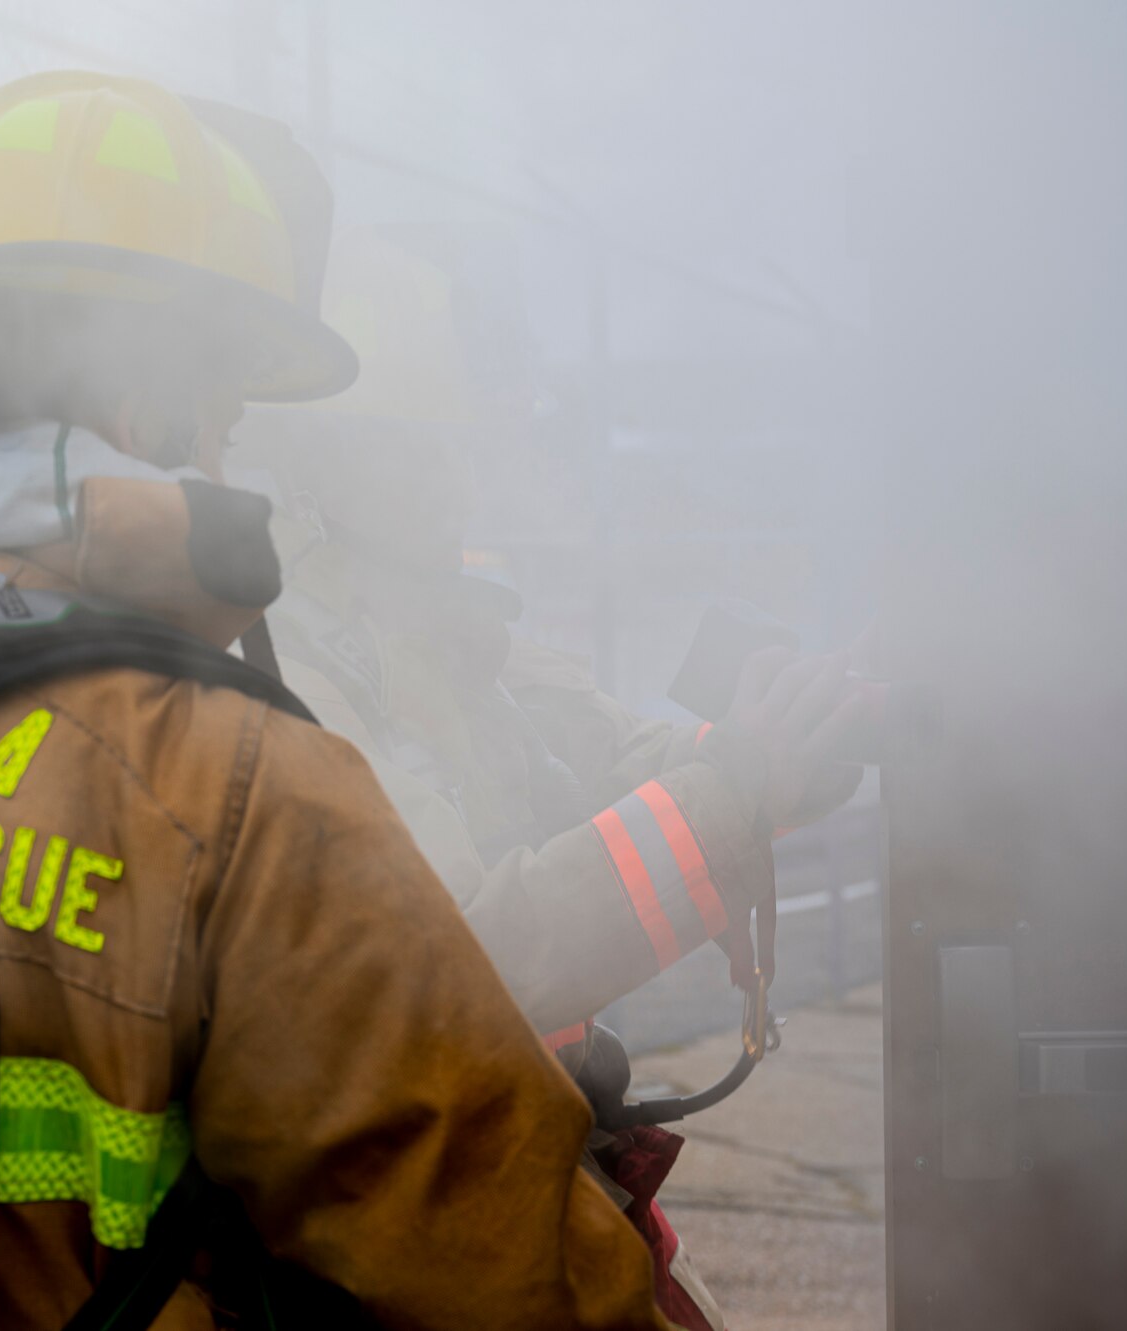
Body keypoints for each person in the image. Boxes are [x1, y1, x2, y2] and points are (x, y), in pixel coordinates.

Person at [0, 73, 678, 1331]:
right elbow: (498, 1266)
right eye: (223, 419)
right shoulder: (243, 787)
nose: (232, 465)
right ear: (142, 410)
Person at [231, 228, 866, 1331]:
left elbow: (616, 761)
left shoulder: (436, 618)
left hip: (509, 1164)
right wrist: (734, 792)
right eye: (434, 448)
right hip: (409, 1219)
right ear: (335, 455)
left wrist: (778, 754)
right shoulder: (288, 661)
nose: (465, 478)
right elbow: (473, 956)